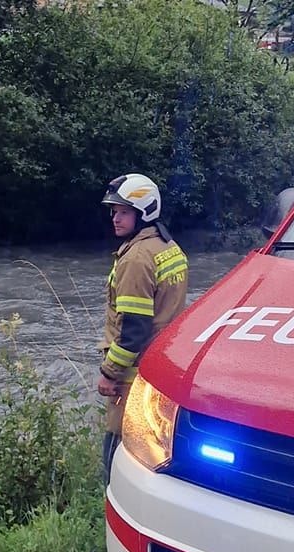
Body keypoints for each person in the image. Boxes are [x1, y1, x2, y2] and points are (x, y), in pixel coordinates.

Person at [97, 174, 189, 484]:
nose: (115, 218)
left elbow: (133, 331)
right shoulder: (167, 246)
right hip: (160, 370)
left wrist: (110, 373)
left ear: (144, 211)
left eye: (123, 211)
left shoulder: (136, 258)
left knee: (115, 459)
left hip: (131, 378)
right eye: (113, 211)